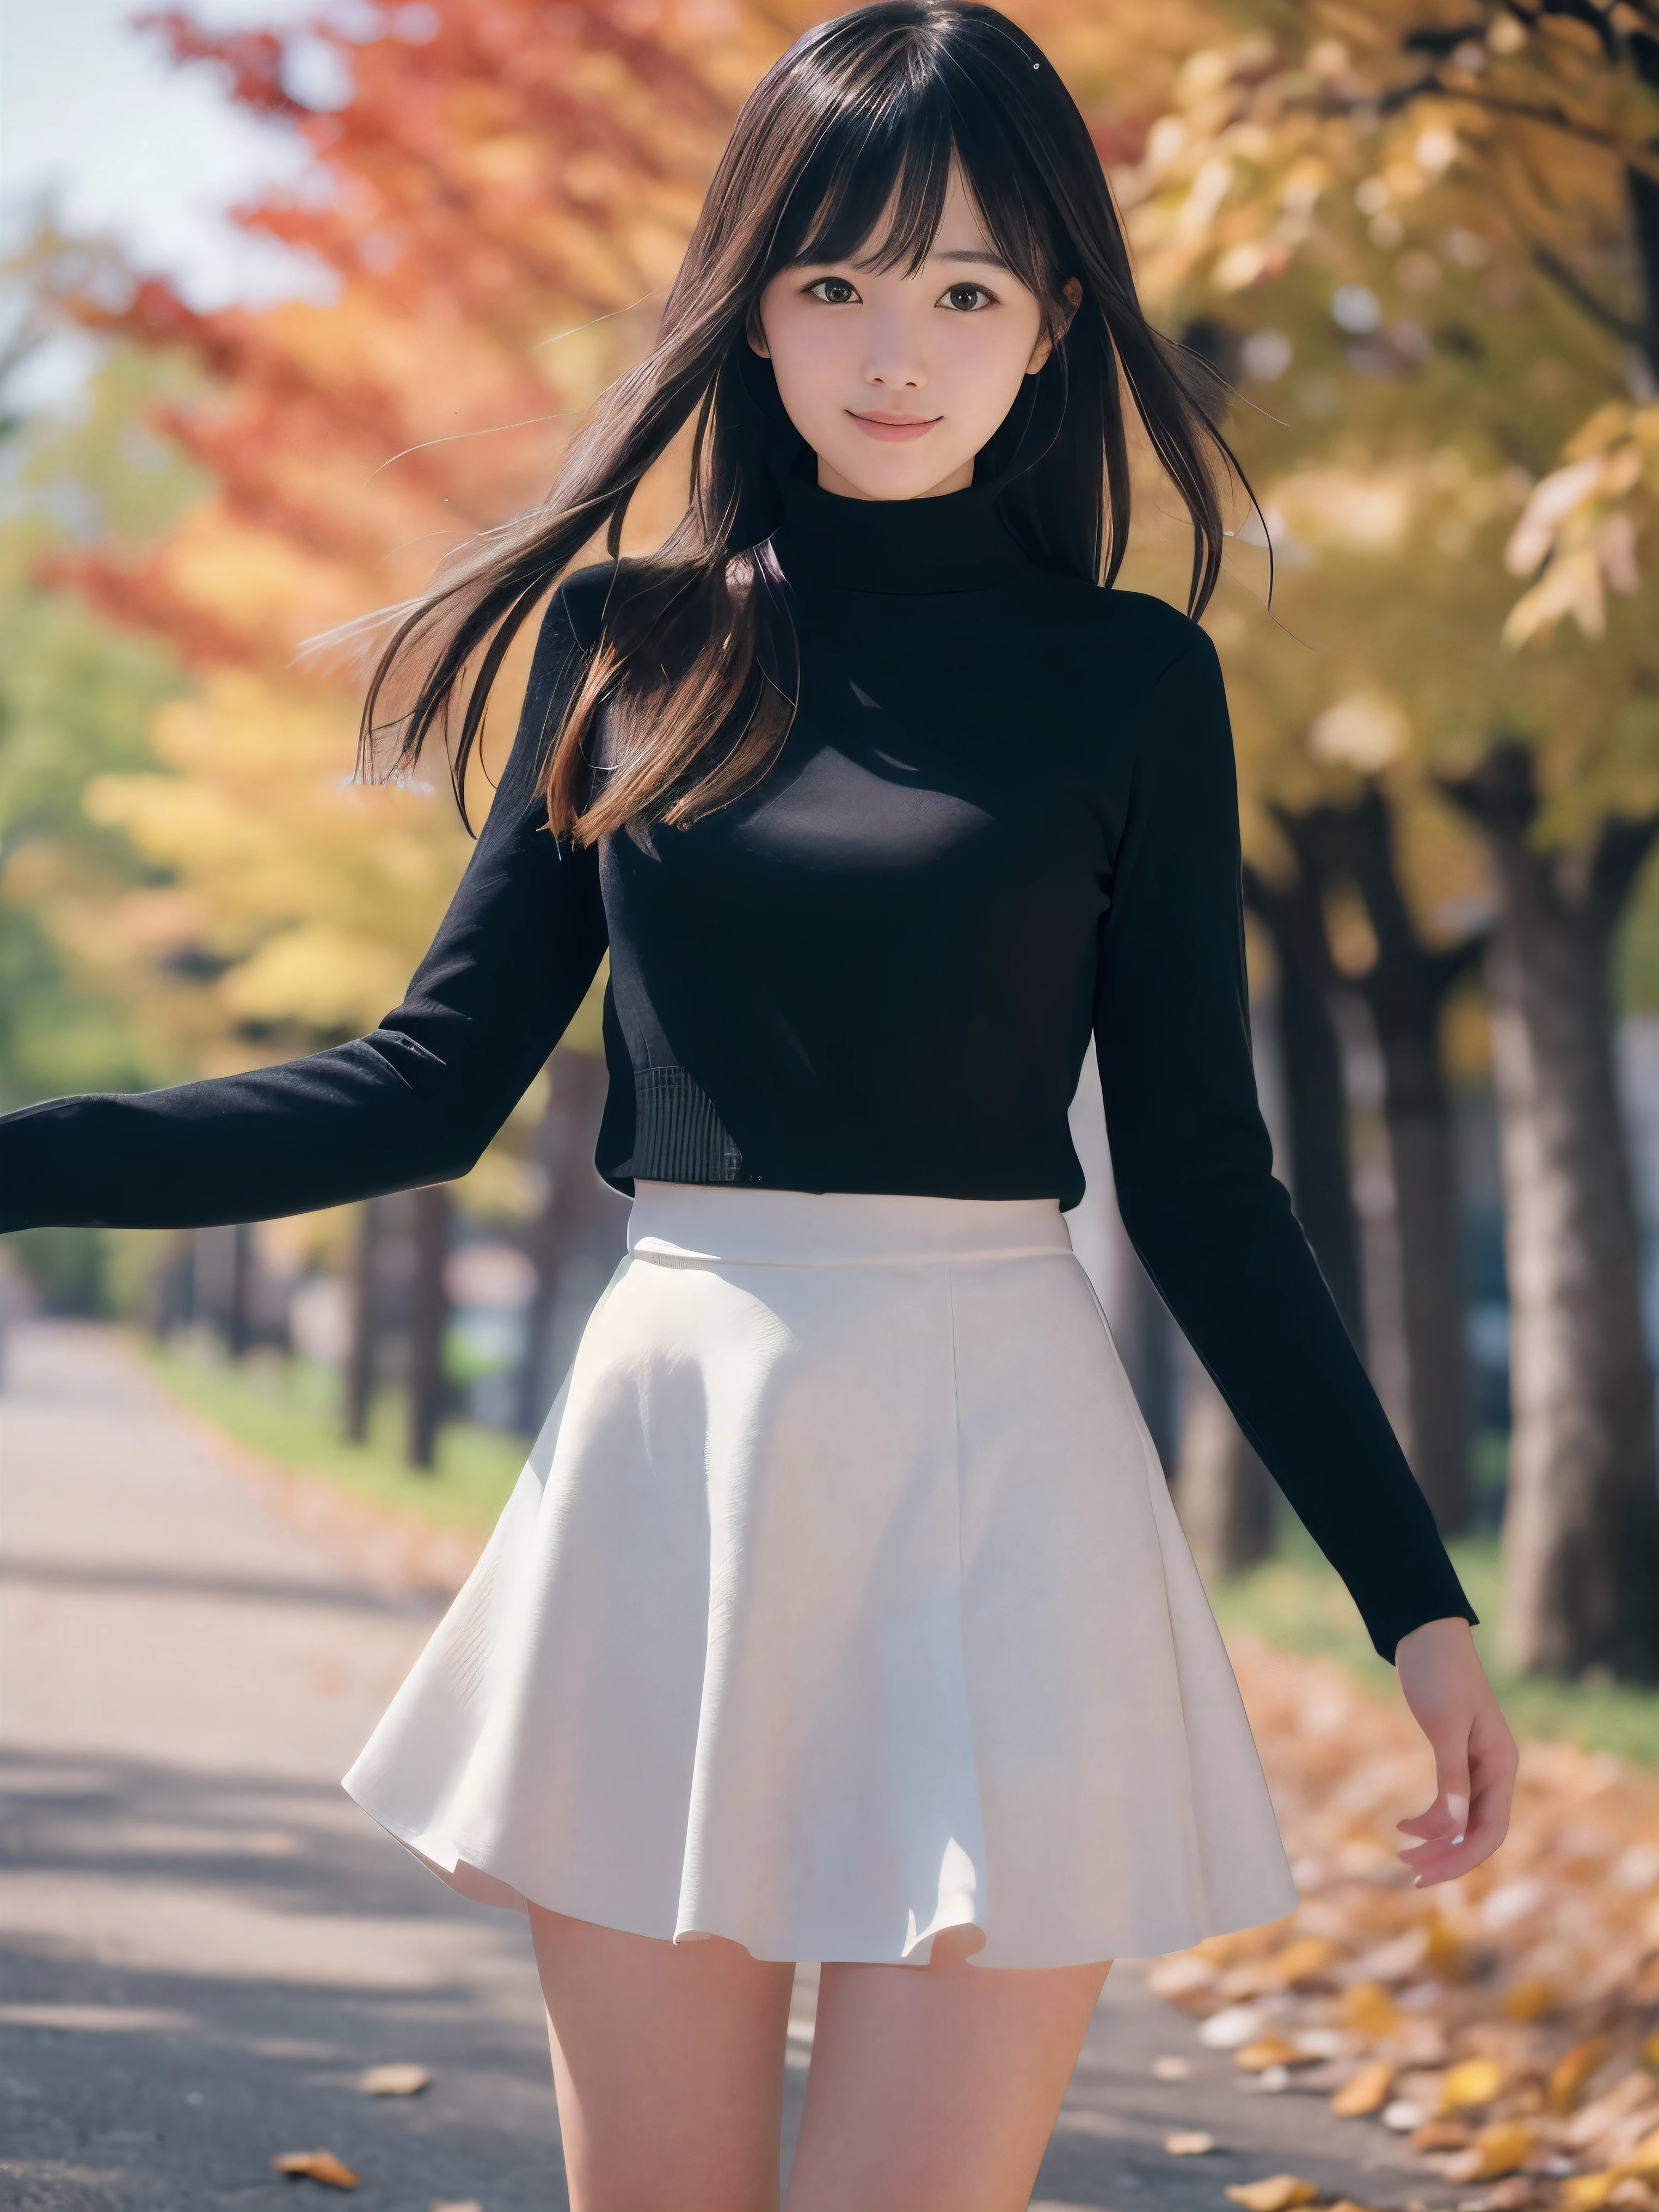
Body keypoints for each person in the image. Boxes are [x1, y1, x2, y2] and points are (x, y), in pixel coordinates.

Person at [0, 5, 1518, 2206]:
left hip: (1011, 1488)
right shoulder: (628, 643)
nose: (894, 349)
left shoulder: (1131, 679)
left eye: (963, 289)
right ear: (754, 304)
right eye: (834, 283)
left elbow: (1202, 1172)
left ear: (1052, 325)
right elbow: (425, 1089)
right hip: (674, 1474)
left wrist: (1420, 1600)